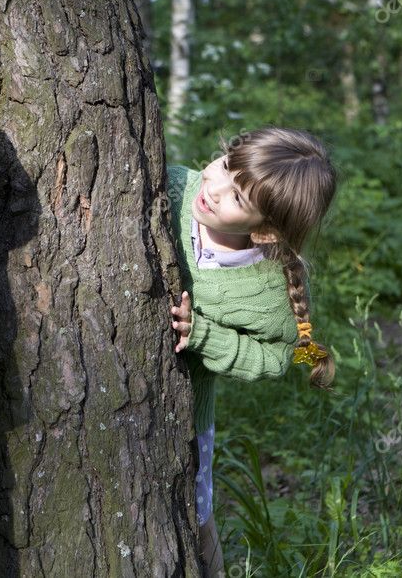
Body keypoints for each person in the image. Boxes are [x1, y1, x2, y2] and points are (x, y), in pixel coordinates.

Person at [167, 126, 338, 575]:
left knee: (195, 519)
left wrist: (204, 335)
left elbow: (279, 357)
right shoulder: (173, 188)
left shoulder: (265, 288)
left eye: (238, 199)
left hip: (185, 415)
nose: (214, 188)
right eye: (225, 165)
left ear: (263, 231)